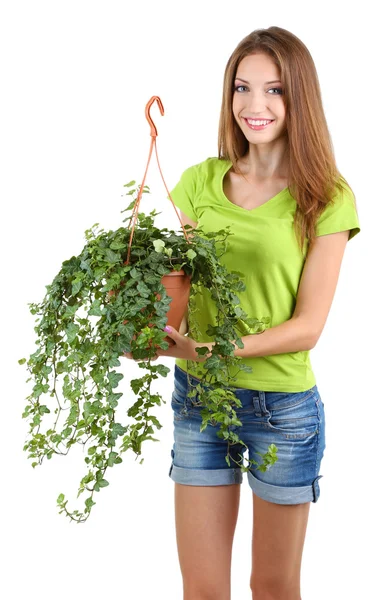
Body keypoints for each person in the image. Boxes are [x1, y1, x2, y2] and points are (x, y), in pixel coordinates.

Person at [126, 26, 360, 600]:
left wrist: (211, 349)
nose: (255, 106)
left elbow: (308, 327)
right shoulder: (199, 181)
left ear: (299, 98)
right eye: (242, 87)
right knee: (203, 588)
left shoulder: (325, 196)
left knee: (273, 586)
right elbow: (174, 280)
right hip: (201, 399)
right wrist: (142, 321)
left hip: (284, 409)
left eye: (275, 90)